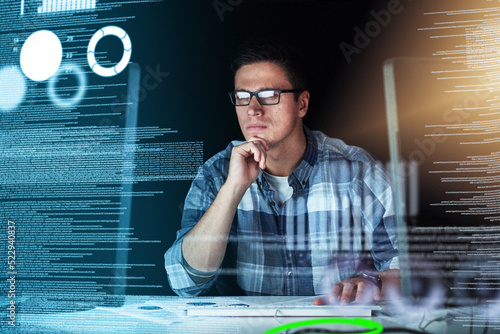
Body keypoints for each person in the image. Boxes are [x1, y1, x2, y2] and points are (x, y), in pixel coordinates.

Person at [164, 39, 400, 305]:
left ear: (302, 104)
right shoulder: (215, 174)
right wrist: (232, 189)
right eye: (242, 97)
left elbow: (412, 273)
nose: (253, 109)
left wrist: (372, 281)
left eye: (269, 95)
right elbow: (184, 282)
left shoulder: (357, 171)